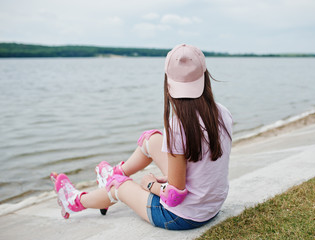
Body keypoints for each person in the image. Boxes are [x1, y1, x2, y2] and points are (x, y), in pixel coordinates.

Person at [51, 44, 233, 230]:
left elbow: (174, 195)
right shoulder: (222, 112)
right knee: (151, 138)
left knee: (118, 185)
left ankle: (74, 201)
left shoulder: (177, 126)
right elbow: (203, 165)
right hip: (211, 206)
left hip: (181, 216)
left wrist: (151, 185)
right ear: (204, 76)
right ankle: (112, 174)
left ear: (168, 82)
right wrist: (170, 180)